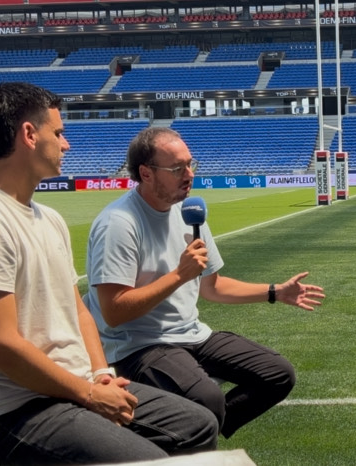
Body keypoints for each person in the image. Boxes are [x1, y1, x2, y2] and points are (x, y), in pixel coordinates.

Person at [0, 82, 218, 464]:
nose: (66, 144)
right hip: (15, 410)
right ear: (29, 135)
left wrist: (100, 374)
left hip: (73, 389)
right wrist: (88, 394)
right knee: (148, 459)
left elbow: (79, 310)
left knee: (198, 423)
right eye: (58, 133)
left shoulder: (48, 218)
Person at [84, 127, 325, 439]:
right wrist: (179, 276)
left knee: (277, 375)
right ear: (146, 173)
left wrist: (274, 292)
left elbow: (213, 287)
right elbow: (114, 312)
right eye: (177, 168)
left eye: (190, 164)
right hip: (137, 345)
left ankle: (194, 433)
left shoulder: (190, 213)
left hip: (191, 334)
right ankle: (190, 432)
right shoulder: (118, 224)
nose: (189, 174)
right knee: (207, 400)